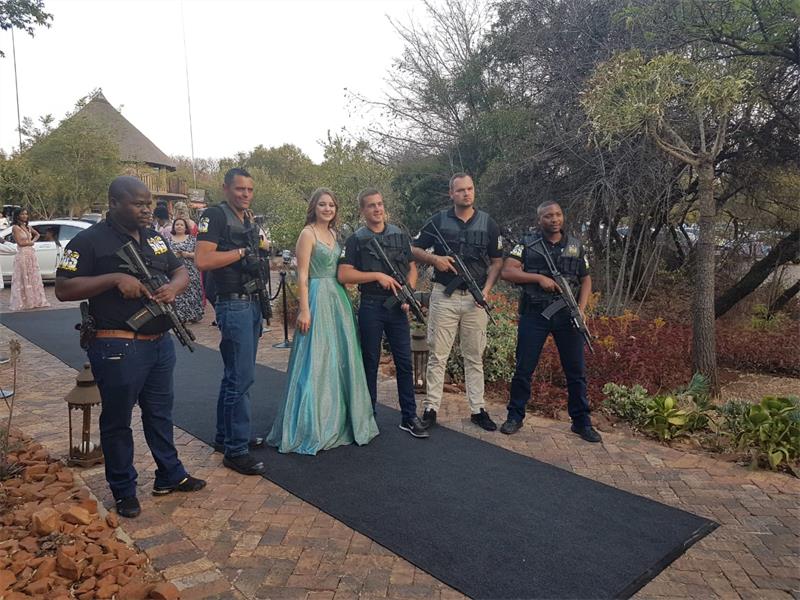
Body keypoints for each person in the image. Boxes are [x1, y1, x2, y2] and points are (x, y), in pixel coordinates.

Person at [54, 176, 206, 519]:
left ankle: (170, 474)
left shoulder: (154, 237)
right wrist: (114, 279)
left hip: (159, 344)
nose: (146, 209)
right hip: (116, 344)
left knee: (160, 414)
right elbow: (63, 288)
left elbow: (180, 271)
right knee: (118, 421)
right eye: (138, 204)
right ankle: (123, 490)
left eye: (148, 203)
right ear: (114, 203)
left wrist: (174, 288)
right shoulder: (88, 241)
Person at [266, 188, 379, 454]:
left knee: (341, 357)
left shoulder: (334, 235)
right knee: (316, 358)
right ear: (314, 208)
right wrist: (304, 310)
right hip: (316, 297)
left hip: (338, 299)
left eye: (331, 205)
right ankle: (312, 423)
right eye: (322, 204)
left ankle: (341, 418)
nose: (328, 209)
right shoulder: (308, 234)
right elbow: (302, 275)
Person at [499, 200, 601, 443]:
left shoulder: (575, 246)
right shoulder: (528, 243)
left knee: (576, 371)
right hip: (535, 314)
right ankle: (515, 416)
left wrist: (581, 309)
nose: (554, 219)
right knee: (524, 368)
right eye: (548, 216)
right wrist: (537, 279)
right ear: (539, 220)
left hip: (567, 315)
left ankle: (581, 422)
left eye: (558, 214)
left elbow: (585, 279)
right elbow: (507, 271)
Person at [411, 173, 503, 431]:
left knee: (474, 357)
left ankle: (478, 409)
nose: (466, 193)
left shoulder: (488, 223)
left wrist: (486, 290)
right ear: (451, 193)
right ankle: (431, 408)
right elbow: (413, 249)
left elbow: (497, 262)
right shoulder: (438, 221)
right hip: (445, 295)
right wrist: (435, 260)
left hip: (475, 299)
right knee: (438, 355)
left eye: (470, 189)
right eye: (460, 190)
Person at [338, 188, 428, 438]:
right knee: (370, 362)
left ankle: (409, 416)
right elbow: (344, 274)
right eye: (371, 205)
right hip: (371, 305)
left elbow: (412, 268)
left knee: (404, 362)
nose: (377, 209)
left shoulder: (399, 235)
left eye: (379, 204)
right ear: (362, 210)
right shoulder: (356, 239)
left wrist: (407, 293)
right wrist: (376, 275)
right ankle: (368, 416)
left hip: (397, 307)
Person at [195, 168, 266, 475]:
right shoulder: (215, 215)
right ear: (225, 189)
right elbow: (203, 260)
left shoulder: (247, 218)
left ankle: (227, 437)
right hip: (233, 303)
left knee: (234, 376)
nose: (245, 194)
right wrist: (240, 252)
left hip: (250, 301)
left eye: (249, 189)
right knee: (241, 377)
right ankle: (236, 451)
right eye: (239, 189)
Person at [9, 208, 50, 311]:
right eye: (22, 214)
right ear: (17, 216)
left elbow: (37, 234)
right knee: (23, 277)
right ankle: (25, 301)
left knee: (33, 276)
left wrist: (33, 241)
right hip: (22, 254)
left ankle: (34, 300)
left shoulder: (28, 227)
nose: (25, 216)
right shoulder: (15, 228)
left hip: (31, 254)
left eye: (26, 214)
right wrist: (30, 243)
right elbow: (20, 243)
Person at [168, 218, 204, 323]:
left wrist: (186, 254)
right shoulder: (168, 240)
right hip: (175, 272)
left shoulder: (192, 240)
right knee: (178, 293)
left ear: (185, 227)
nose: (179, 226)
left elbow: (199, 254)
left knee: (193, 292)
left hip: (191, 270)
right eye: (177, 224)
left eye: (181, 225)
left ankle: (194, 314)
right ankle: (180, 316)